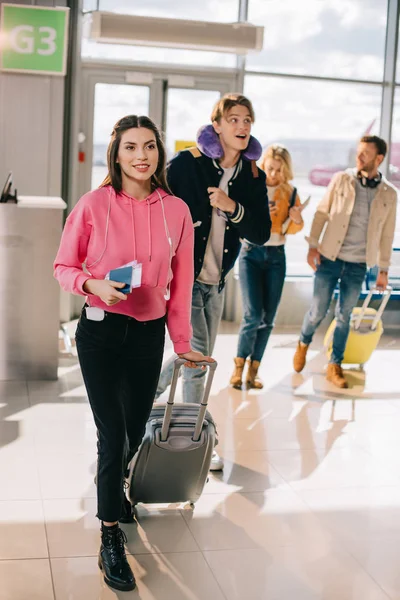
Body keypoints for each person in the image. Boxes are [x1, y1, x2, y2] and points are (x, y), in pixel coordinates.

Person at [54, 115, 212, 592]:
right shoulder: (93, 204)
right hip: (100, 332)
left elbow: (181, 285)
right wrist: (91, 283)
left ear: (158, 153)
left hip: (148, 336)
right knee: (110, 432)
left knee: (132, 427)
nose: (140, 155)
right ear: (116, 155)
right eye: (130, 147)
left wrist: (183, 345)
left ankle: (117, 488)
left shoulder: (178, 211)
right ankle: (109, 537)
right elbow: (63, 265)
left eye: (148, 146)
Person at [155, 93, 271, 471]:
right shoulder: (189, 165)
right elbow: (159, 209)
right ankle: (196, 440)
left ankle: (140, 394)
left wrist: (231, 206)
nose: (242, 126)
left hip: (216, 280)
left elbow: (261, 232)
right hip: (183, 278)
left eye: (247, 120)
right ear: (217, 125)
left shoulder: (253, 175)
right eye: (234, 119)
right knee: (198, 359)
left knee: (195, 357)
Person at [293, 135, 397, 388]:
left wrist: (383, 269)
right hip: (329, 257)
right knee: (317, 311)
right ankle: (303, 342)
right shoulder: (342, 179)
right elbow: (322, 213)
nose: (359, 157)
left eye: (365, 153)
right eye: (358, 152)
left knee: (345, 316)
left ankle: (334, 365)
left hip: (359, 264)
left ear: (379, 158)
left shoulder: (389, 194)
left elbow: (387, 234)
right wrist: (312, 245)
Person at [230, 144, 304, 390]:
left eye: (278, 170)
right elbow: (239, 217)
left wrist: (296, 219)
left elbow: (293, 229)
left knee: (268, 318)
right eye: (270, 168)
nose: (273, 174)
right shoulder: (254, 188)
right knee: (252, 315)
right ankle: (238, 368)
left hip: (276, 255)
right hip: (251, 252)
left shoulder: (291, 193)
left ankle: (253, 371)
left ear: (286, 170)